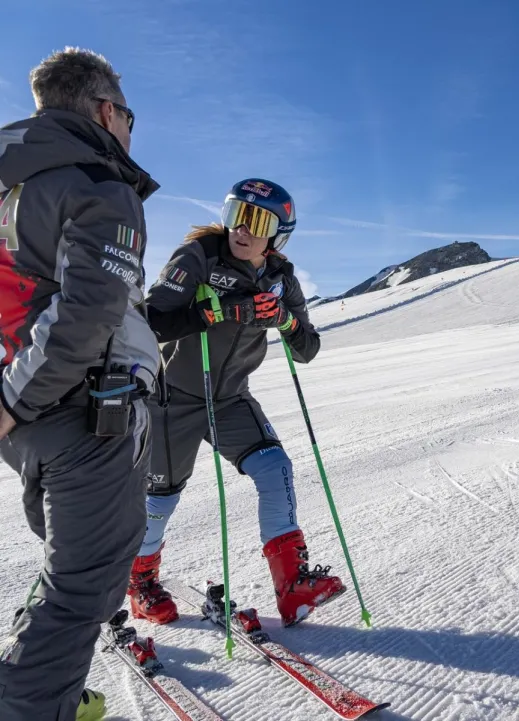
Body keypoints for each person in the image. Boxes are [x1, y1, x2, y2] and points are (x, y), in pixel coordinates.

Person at [0, 47, 160, 721]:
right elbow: (85, 313)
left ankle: (44, 685)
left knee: (71, 566)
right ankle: (31, 701)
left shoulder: (14, 177)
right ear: (103, 109)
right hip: (77, 408)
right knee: (85, 582)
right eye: (129, 115)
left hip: (31, 411)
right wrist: (11, 401)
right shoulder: (96, 180)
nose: (129, 130)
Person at [127, 179, 345, 627]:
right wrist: (218, 311)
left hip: (230, 399)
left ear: (278, 234)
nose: (242, 229)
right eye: (235, 215)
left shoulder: (282, 277)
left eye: (258, 220)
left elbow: (307, 349)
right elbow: (150, 321)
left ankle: (292, 586)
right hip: (174, 398)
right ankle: (141, 581)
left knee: (275, 468)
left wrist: (282, 319)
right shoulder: (201, 256)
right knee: (161, 499)